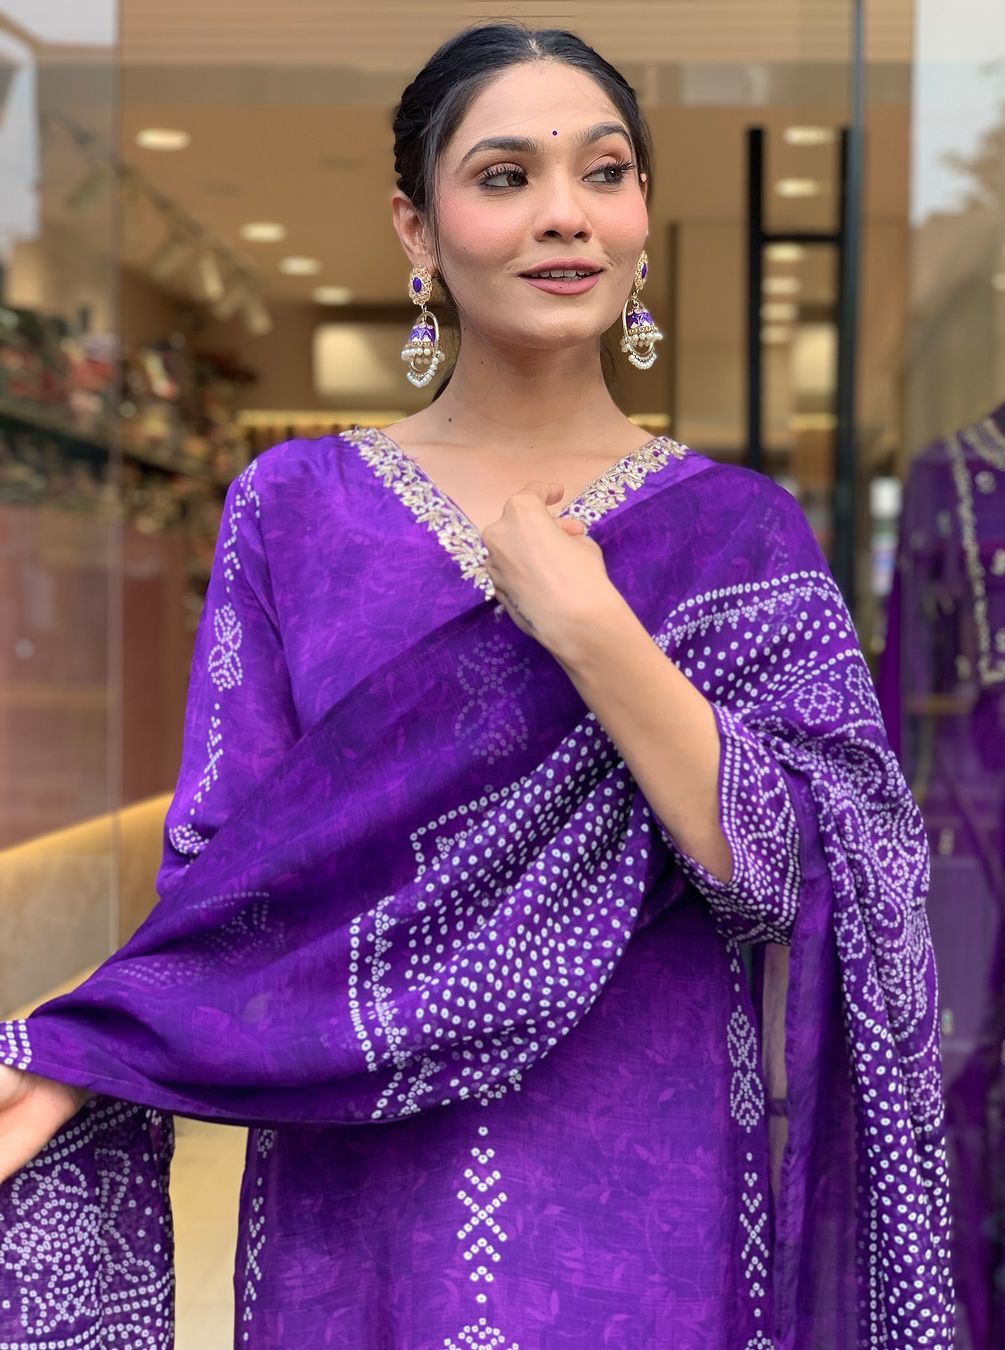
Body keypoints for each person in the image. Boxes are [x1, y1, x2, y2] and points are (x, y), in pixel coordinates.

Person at [0, 22, 955, 1349]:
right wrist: (84, 1055)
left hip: (644, 1172)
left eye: (604, 172)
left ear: (640, 217)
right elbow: (231, 885)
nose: (567, 213)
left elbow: (813, 867)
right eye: (506, 176)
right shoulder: (296, 508)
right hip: (360, 1186)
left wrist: (594, 630)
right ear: (417, 227)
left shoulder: (735, 533)